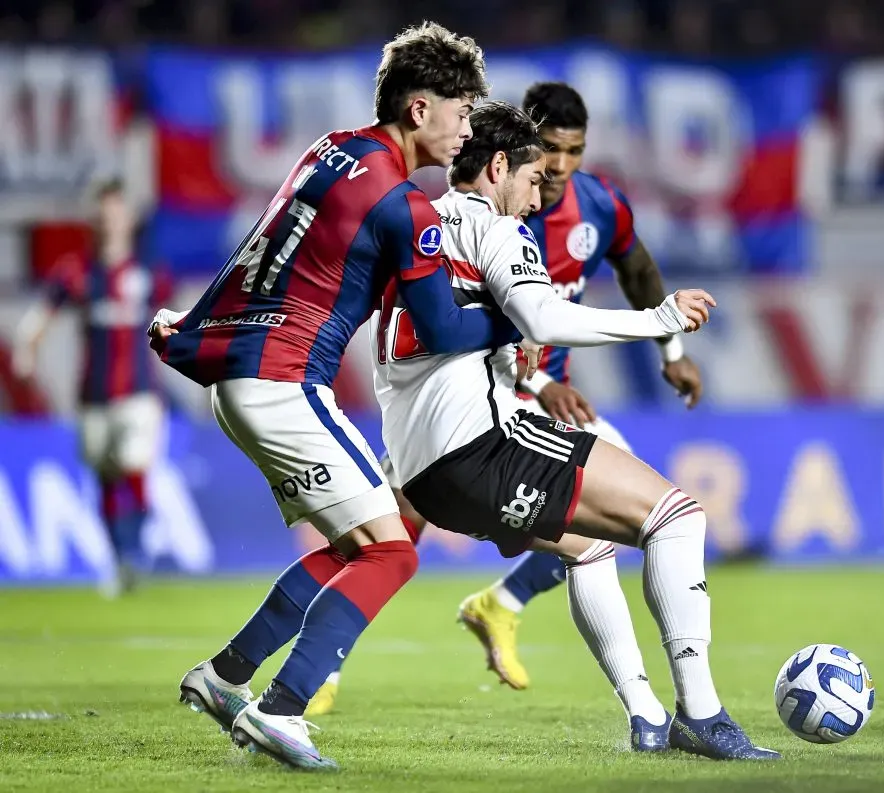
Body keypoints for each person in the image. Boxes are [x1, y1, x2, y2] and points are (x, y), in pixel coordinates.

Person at [148, 22, 517, 770]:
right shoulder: (405, 206)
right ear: (420, 110)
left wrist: (195, 325)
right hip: (284, 381)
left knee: (357, 543)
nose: (467, 128)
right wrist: (518, 312)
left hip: (240, 376)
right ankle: (282, 711)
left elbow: (271, 246)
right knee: (393, 551)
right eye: (462, 111)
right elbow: (443, 328)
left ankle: (223, 677)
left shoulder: (329, 151)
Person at [372, 101, 778, 760]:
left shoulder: (415, 223)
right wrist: (659, 320)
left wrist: (508, 357)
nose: (536, 198)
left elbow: (435, 337)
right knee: (678, 517)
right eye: (532, 179)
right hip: (483, 446)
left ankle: (646, 715)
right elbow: (546, 315)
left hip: (421, 473)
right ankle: (702, 714)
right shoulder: (497, 227)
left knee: (588, 548)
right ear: (499, 165)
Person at [455, 81, 706, 691]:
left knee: (622, 517)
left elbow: (639, 269)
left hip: (547, 393)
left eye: (575, 150)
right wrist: (540, 381)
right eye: (548, 151)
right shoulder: (506, 212)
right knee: (393, 527)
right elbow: (496, 318)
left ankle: (506, 607)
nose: (561, 167)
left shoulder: (599, 206)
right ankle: (322, 666)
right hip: (483, 391)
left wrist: (671, 351)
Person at [14, 178, 169, 596]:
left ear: (128, 219)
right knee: (104, 475)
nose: (109, 221)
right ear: (93, 220)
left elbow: (182, 317)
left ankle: (135, 553)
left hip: (140, 393)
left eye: (116, 213)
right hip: (93, 394)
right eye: (103, 214)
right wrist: (28, 347)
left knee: (135, 463)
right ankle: (119, 560)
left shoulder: (148, 273)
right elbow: (44, 311)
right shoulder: (77, 272)